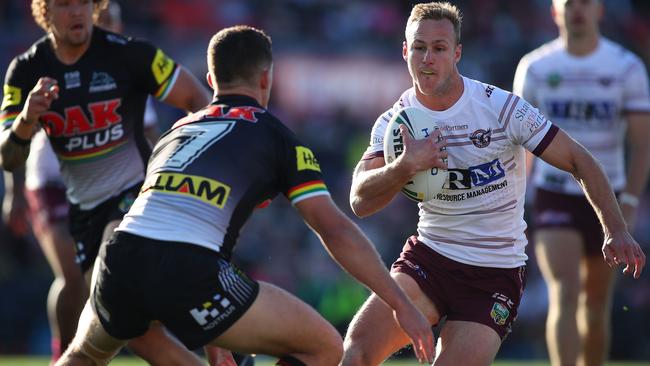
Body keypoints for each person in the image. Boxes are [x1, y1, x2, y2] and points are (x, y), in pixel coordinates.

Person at [54, 24, 436, 366]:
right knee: (323, 348)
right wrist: (400, 304)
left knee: (84, 354)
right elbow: (333, 230)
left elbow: (185, 220)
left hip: (119, 256)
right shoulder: (274, 136)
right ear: (267, 78)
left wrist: (215, 341)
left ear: (211, 78)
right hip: (185, 267)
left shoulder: (176, 132)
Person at [341, 2, 645, 365]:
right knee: (357, 352)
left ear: (456, 53)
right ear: (405, 50)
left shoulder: (500, 109)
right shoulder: (394, 123)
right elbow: (359, 200)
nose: (427, 58)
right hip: (430, 259)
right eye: (419, 47)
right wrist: (404, 166)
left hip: (494, 274)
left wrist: (615, 229)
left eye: (439, 48)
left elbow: (582, 160)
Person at [0, 0, 216, 365]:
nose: (77, 12)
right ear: (44, 12)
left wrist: (191, 166)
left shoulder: (130, 55)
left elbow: (197, 99)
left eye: (84, 3)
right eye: (65, 4)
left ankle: (220, 337)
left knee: (112, 276)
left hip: (137, 197)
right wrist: (25, 120)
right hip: (83, 212)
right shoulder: (25, 71)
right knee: (127, 326)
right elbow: (8, 156)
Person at [513, 0, 650, 365]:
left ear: (599, 11)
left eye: (585, 3)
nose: (577, 11)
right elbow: (518, 143)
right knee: (564, 292)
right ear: (555, 11)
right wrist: (515, 200)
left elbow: (641, 143)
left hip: (610, 198)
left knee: (596, 302)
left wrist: (631, 202)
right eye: (569, 4)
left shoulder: (626, 67)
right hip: (555, 192)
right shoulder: (536, 67)